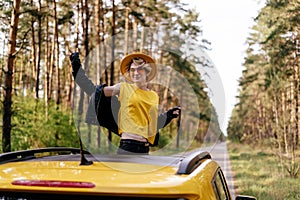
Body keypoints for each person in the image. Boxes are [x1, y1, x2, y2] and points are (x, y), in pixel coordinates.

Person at [70, 52, 180, 154]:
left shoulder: (154, 96)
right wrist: (77, 71)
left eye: (139, 69)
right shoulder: (123, 88)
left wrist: (169, 115)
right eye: (132, 70)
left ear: (147, 71)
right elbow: (93, 91)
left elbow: (152, 125)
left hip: (145, 148)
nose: (136, 73)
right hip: (127, 146)